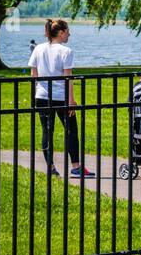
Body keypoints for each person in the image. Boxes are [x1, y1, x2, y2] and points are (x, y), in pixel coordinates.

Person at [28, 18, 95, 178]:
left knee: (47, 132)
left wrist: (40, 88)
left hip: (42, 96)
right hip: (61, 98)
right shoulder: (66, 51)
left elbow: (33, 74)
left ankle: (51, 168)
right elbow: (68, 78)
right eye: (67, 31)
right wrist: (71, 100)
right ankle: (76, 167)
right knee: (71, 131)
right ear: (61, 32)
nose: (69, 34)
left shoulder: (38, 48)